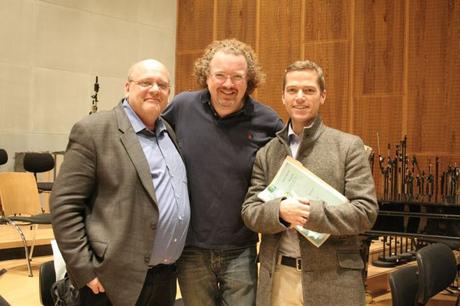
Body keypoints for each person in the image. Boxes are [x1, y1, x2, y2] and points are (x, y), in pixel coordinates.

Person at [50, 59, 190, 306]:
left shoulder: (167, 131)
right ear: (127, 87)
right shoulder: (94, 130)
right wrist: (85, 270)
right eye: (146, 82)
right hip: (111, 280)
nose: (155, 89)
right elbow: (64, 206)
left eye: (163, 85)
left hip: (164, 278)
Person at [242, 60, 378, 306]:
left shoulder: (348, 147)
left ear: (322, 96)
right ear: (283, 97)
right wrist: (280, 212)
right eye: (292, 90)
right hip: (279, 280)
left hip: (334, 281)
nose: (300, 97)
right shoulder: (268, 152)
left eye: (309, 90)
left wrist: (308, 213)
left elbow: (365, 213)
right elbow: (250, 212)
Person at [162, 39, 283, 306]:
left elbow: (292, 166)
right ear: (206, 76)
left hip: (242, 247)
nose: (228, 84)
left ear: (248, 80)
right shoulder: (182, 107)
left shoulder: (268, 121)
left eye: (237, 77)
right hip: (190, 247)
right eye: (220, 76)